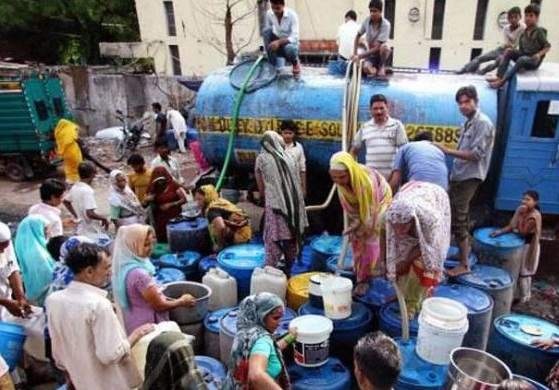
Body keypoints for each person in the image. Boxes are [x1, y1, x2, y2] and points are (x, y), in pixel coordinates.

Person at [46, 242, 154, 390]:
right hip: (108, 383)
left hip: (80, 381)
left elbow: (58, 354)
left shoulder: (53, 300)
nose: (109, 272)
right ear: (89, 271)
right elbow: (110, 354)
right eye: (106, 267)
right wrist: (136, 334)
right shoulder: (98, 305)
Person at [438, 86, 495, 277]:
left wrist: (446, 150)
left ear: (476, 101)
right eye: (460, 103)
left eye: (467, 101)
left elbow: (476, 155)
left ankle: (464, 264)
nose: (463, 106)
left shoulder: (483, 123)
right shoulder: (468, 123)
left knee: (460, 219)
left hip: (469, 177)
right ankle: (462, 257)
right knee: (454, 216)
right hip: (459, 176)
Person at [111, 224, 196, 335]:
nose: (151, 248)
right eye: (145, 245)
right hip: (147, 326)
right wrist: (181, 301)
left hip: (132, 321)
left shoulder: (123, 267)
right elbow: (159, 306)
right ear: (132, 245)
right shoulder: (139, 274)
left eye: (152, 243)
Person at [329, 152, 392, 296]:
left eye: (342, 177)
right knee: (356, 238)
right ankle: (359, 268)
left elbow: (372, 212)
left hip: (380, 200)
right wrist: (355, 224)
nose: (338, 181)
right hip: (365, 205)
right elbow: (351, 206)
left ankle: (366, 278)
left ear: (350, 171)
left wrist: (364, 228)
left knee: (369, 240)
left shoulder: (365, 182)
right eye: (334, 177)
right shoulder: (341, 184)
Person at [385, 181, 450, 316]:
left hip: (435, 197)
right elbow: (385, 240)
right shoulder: (390, 215)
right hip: (411, 192)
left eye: (403, 226)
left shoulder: (430, 220)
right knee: (399, 259)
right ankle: (402, 294)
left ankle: (414, 302)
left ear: (412, 220)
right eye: (395, 226)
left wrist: (406, 262)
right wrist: (386, 263)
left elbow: (429, 247)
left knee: (422, 264)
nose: (398, 230)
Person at [255, 131, 308, 274]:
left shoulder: (262, 158)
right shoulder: (289, 157)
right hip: (294, 207)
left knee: (272, 237)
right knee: (291, 237)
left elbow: (260, 184)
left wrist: (263, 197)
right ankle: (290, 268)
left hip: (276, 206)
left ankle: (269, 269)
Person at [224, 293, 296, 389]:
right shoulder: (263, 340)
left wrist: (290, 337)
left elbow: (270, 350)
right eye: (276, 318)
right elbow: (256, 375)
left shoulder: (245, 333)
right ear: (261, 315)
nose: (279, 323)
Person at [491, 190, 541, 303]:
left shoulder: (534, 216)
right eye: (523, 199)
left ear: (535, 202)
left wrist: (519, 216)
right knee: (524, 273)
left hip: (530, 247)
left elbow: (522, 231)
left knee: (525, 274)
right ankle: (525, 296)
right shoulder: (522, 210)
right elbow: (512, 225)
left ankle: (524, 299)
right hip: (522, 244)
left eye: (528, 200)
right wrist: (500, 231)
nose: (524, 201)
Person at [489, 4, 551, 89]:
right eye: (526, 16)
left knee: (522, 59)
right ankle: (499, 76)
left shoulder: (539, 32)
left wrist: (538, 55)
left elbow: (547, 46)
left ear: (536, 18)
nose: (528, 18)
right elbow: (521, 50)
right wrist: (512, 51)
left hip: (533, 60)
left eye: (531, 16)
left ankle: (502, 82)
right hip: (525, 57)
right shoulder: (524, 32)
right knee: (509, 51)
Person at [351, 94, 408, 180]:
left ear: (387, 108)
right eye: (375, 109)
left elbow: (403, 151)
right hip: (371, 179)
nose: (379, 112)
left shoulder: (397, 125)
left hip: (391, 179)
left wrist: (397, 176)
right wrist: (351, 168)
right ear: (370, 110)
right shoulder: (365, 127)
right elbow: (354, 150)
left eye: (382, 108)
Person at [458, 7, 525, 75]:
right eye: (511, 17)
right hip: (502, 49)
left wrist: (511, 47)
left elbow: (517, 45)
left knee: (497, 62)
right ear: (508, 18)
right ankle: (464, 70)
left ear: (520, 17)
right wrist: (508, 46)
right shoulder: (506, 28)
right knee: (481, 58)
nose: (513, 19)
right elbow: (506, 43)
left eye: (515, 17)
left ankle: (481, 72)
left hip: (512, 53)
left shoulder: (523, 28)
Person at [14, 215, 56, 306]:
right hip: (43, 297)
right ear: (37, 229)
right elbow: (45, 278)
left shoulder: (25, 245)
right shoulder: (37, 253)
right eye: (45, 229)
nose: (48, 232)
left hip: (32, 292)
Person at [194, 185, 252, 251]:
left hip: (240, 236)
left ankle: (229, 247)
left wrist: (220, 245)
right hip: (247, 232)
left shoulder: (211, 210)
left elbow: (220, 226)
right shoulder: (219, 201)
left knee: (216, 230)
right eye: (196, 199)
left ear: (207, 198)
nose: (197, 203)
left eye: (200, 199)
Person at [63, 161, 110, 240]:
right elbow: (90, 213)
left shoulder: (75, 187)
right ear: (93, 174)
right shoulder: (87, 191)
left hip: (81, 228)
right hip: (90, 229)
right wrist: (103, 218)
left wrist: (76, 215)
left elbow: (66, 201)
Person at [144, 167, 187, 243]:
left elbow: (184, 199)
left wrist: (171, 204)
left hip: (175, 216)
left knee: (177, 237)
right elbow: (145, 204)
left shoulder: (173, 185)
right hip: (161, 220)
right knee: (164, 239)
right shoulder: (153, 188)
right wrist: (148, 199)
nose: (160, 181)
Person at [352, 0, 392, 77]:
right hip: (370, 54)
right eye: (371, 11)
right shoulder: (367, 21)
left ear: (380, 12)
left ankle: (382, 66)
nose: (372, 13)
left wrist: (360, 56)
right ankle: (375, 70)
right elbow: (357, 36)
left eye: (375, 11)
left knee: (384, 47)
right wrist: (355, 54)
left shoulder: (386, 24)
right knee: (366, 68)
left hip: (381, 53)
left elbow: (378, 47)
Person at [0, 222, 31, 319]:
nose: (3, 251)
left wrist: (21, 297)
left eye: (5, 247)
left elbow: (12, 268)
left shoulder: (4, 241)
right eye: (0, 248)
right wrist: (5, 302)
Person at [263, 0, 301, 76]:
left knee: (290, 49)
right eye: (273, 8)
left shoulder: (292, 15)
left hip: (290, 45)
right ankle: (272, 65)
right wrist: (268, 46)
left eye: (277, 8)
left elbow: (295, 37)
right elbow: (268, 30)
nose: (275, 11)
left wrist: (278, 42)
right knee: (266, 31)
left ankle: (295, 63)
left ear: (283, 6)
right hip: (276, 42)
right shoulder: (269, 14)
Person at [280, 120, 307, 197]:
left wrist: (303, 188)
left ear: (294, 134)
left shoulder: (298, 147)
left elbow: (302, 169)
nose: (287, 136)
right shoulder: (276, 147)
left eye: (290, 133)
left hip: (295, 186)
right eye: (285, 133)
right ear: (281, 133)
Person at [54, 118, 83, 184]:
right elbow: (75, 137)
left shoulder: (59, 132)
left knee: (69, 166)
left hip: (65, 153)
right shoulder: (70, 129)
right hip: (73, 151)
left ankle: (70, 180)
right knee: (77, 165)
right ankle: (78, 180)